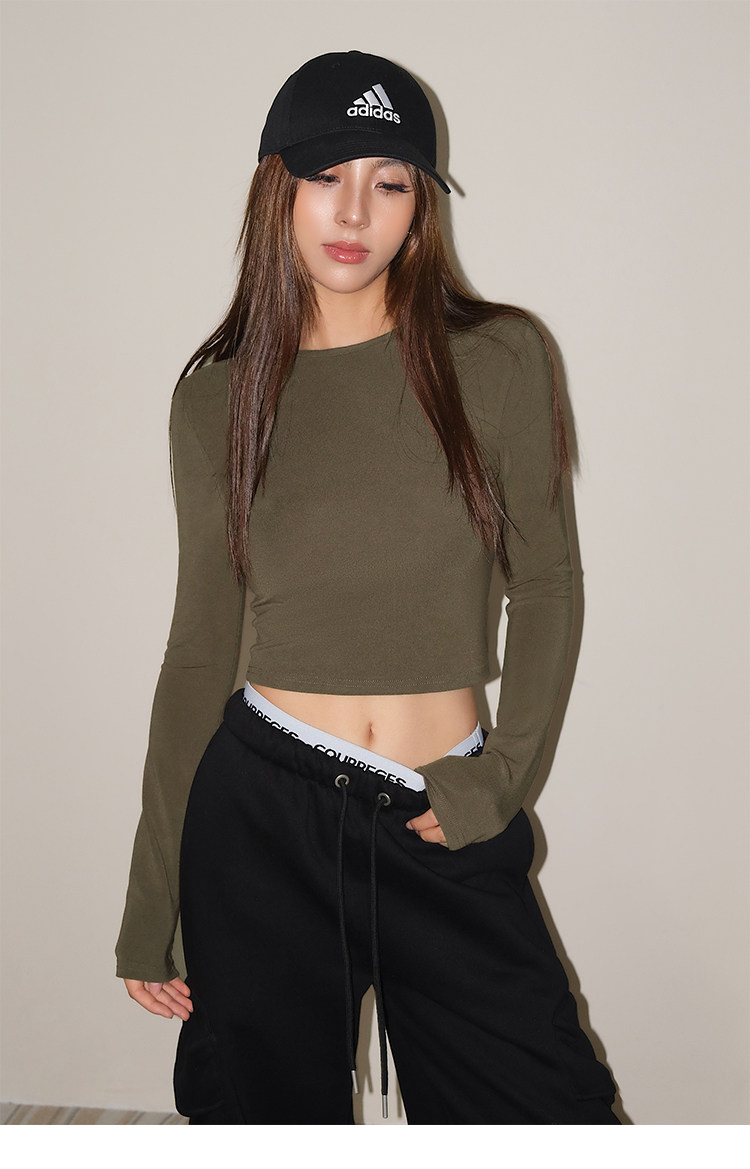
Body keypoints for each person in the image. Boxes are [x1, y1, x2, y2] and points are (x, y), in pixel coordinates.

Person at [116, 50, 620, 1125]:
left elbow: (549, 584)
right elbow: (199, 647)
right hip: (259, 810)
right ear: (276, 188)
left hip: (441, 809)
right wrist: (152, 895)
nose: (355, 212)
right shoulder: (216, 399)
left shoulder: (499, 359)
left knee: (550, 1114)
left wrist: (500, 781)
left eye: (390, 182)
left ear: (421, 207)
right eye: (326, 175)